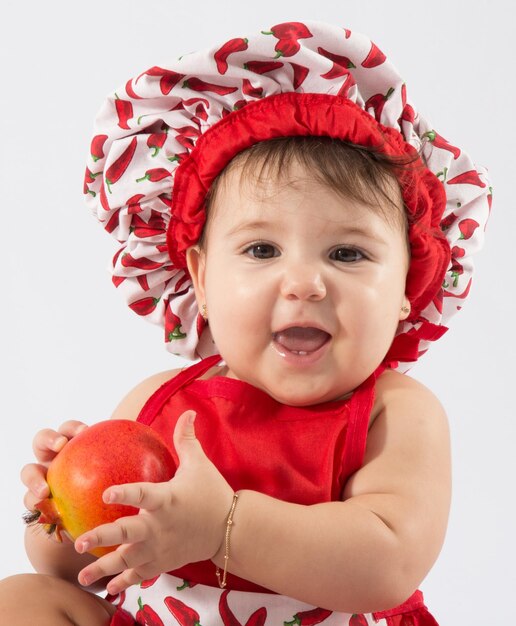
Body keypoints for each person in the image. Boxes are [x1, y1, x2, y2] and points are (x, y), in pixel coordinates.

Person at [0, 20, 491, 626]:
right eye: (262, 250)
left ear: (406, 290)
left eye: (348, 254)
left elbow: (387, 563)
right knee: (21, 598)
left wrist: (222, 526)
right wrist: (62, 508)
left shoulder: (394, 411)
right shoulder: (159, 401)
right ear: (200, 280)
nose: (305, 283)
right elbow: (79, 569)